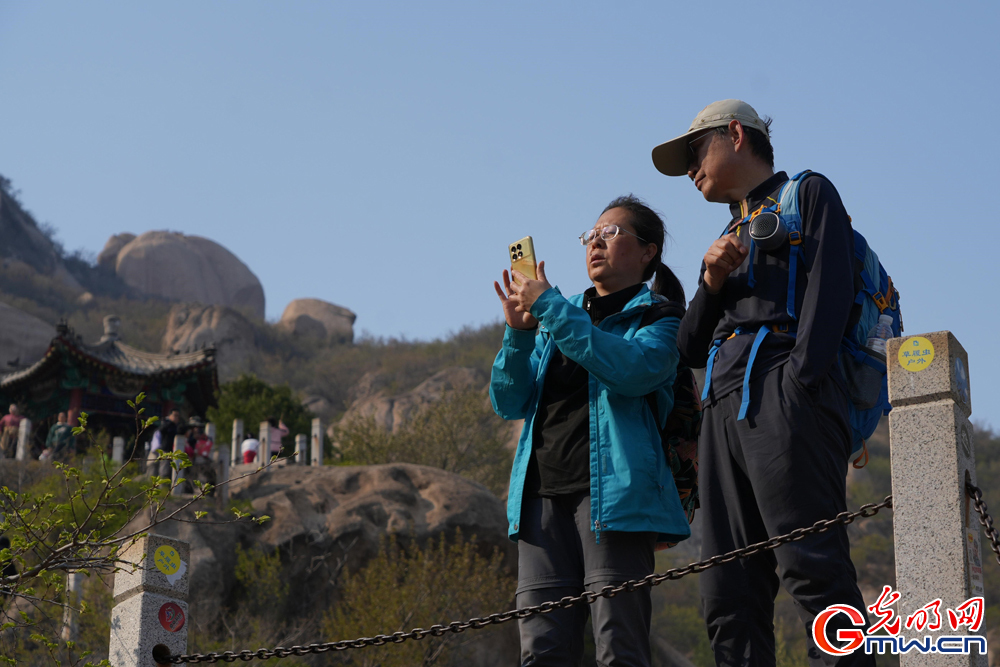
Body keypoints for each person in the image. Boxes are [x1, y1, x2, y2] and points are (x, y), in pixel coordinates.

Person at [651, 99, 871, 667]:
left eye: (695, 152)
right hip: (721, 409)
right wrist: (712, 278)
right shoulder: (728, 234)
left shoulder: (809, 193)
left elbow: (831, 293)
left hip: (783, 391)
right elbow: (690, 348)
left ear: (734, 135)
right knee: (728, 594)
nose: (692, 170)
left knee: (814, 571)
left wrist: (801, 382)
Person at [490, 195, 690, 667]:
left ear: (648, 252)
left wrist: (552, 309)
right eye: (590, 235)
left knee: (618, 646)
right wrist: (519, 334)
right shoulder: (557, 317)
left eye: (611, 233)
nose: (595, 242)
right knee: (542, 650)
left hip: (616, 501)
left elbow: (632, 370)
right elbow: (510, 401)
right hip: (540, 499)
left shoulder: (660, 319)